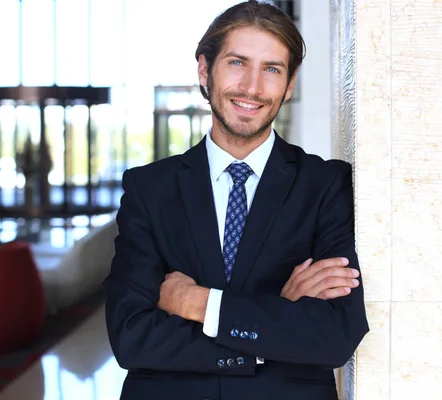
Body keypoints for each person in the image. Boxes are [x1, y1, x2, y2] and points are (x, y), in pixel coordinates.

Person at [103, 1, 369, 399]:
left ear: (290, 83)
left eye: (272, 69)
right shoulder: (149, 188)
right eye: (237, 63)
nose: (252, 88)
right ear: (204, 70)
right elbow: (131, 336)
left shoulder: (326, 185)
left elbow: (334, 336)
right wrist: (273, 319)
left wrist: (200, 303)